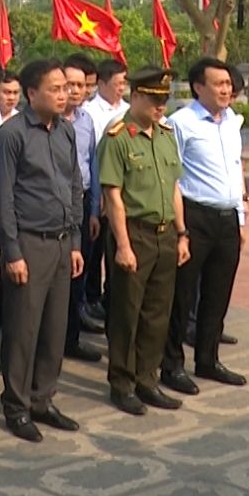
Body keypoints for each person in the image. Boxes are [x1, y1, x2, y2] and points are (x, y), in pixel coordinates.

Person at [0, 59, 85, 443]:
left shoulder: (66, 132)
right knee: (22, 331)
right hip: (29, 242)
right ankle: (16, 405)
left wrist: (76, 242)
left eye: (66, 88)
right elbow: (5, 197)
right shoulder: (11, 135)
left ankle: (43, 398)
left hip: (63, 243)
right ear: (32, 94)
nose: (64, 95)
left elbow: (75, 184)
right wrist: (11, 251)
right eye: (56, 89)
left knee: (54, 328)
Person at [96, 69, 189, 416]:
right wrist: (122, 245)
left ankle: (147, 379)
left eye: (164, 100)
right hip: (133, 233)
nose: (160, 107)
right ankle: (122, 383)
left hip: (165, 234)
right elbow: (113, 195)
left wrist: (183, 233)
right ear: (135, 96)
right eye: (153, 100)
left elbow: (174, 187)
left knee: (157, 313)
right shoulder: (118, 137)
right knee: (126, 313)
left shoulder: (165, 135)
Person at [161, 58, 249, 394]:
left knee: (217, 293)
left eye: (228, 84)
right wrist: (180, 229)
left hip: (227, 218)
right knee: (182, 294)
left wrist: (240, 218)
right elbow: (172, 177)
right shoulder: (181, 123)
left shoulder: (231, 122)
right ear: (199, 87)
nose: (227, 89)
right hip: (194, 217)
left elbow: (237, 169)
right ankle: (171, 365)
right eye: (219, 84)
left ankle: (208, 359)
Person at [63, 56, 106, 365]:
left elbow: (92, 164)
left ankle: (72, 336)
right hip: (53, 210)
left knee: (79, 274)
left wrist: (93, 210)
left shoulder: (86, 121)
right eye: (69, 85)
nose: (76, 91)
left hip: (83, 203)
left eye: (80, 85)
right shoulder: (41, 122)